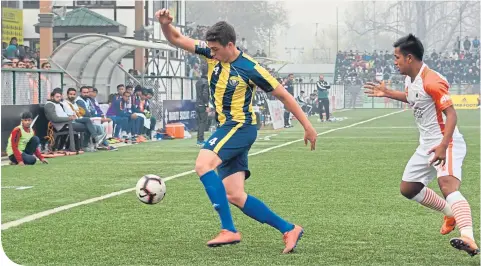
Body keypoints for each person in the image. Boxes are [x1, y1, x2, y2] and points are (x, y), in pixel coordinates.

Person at [156, 8, 317, 253]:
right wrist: (166, 25)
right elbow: (177, 39)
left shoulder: (250, 68)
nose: (211, 53)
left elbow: (284, 96)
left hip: (240, 126)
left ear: (230, 45)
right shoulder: (212, 54)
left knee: (202, 164)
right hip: (227, 127)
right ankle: (288, 229)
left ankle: (229, 230)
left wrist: (307, 126)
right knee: (234, 195)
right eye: (209, 49)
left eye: (215, 49)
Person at [364, 34, 479, 257]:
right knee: (408, 188)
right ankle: (450, 213)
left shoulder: (432, 80)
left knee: (447, 185)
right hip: (426, 144)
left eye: (396, 57)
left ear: (409, 58)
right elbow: (414, 98)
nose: (394, 62)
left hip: (447, 142)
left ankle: (468, 237)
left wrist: (443, 146)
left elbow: (451, 114)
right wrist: (388, 93)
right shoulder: (411, 79)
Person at [195, 63, 210, 146]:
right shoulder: (206, 82)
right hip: (202, 104)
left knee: (200, 122)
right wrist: (206, 105)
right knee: (202, 122)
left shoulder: (198, 81)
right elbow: (205, 94)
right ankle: (200, 140)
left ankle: (199, 139)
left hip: (197, 103)